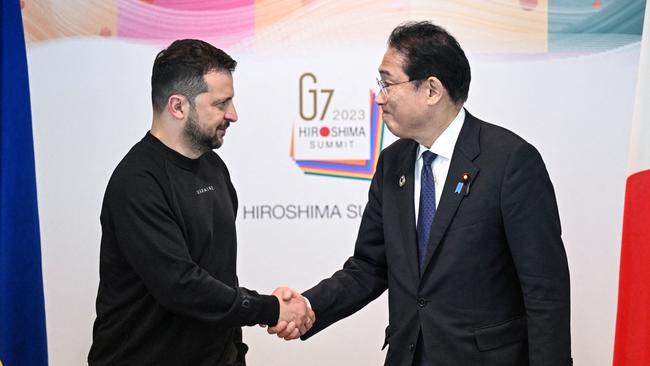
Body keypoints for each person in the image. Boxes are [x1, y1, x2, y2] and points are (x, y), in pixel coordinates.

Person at [271, 21, 572, 365]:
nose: (379, 97)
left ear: (431, 90)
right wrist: (309, 306)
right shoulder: (393, 162)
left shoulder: (510, 161)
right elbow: (370, 265)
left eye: (387, 83)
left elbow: (545, 290)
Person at [88, 39, 313, 366]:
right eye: (221, 103)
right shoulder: (137, 183)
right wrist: (271, 309)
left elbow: (221, 279)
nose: (233, 115)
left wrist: (237, 356)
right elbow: (182, 286)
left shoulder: (213, 167)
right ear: (178, 106)